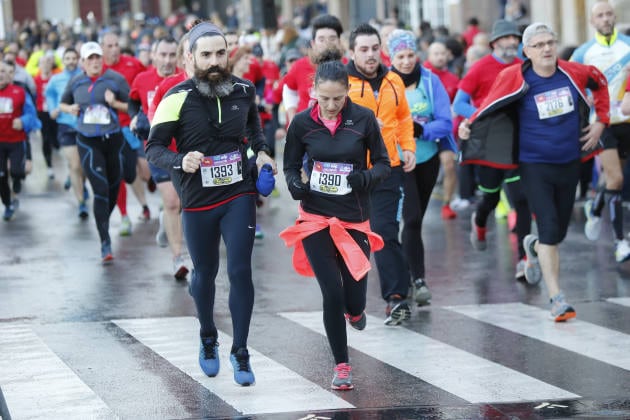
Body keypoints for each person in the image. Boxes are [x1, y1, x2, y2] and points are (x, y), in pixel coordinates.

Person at [146, 22, 276, 386]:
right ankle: (207, 337)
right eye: (206, 55)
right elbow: (153, 148)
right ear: (191, 58)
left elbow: (254, 133)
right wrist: (179, 160)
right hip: (198, 199)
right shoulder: (175, 96)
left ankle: (242, 351)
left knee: (239, 271)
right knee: (204, 274)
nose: (215, 61)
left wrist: (262, 155)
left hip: (239, 193)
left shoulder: (244, 90)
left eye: (221, 53)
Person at [458, 22, 609, 322]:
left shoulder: (573, 72)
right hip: (534, 166)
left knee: (559, 232)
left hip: (570, 163)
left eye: (550, 42)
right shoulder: (514, 76)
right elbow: (490, 103)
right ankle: (557, 298)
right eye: (539, 45)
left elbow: (600, 82)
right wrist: (469, 122)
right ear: (527, 51)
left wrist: (601, 121)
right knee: (550, 228)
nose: (546, 49)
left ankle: (533, 245)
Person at [279, 53, 391, 391]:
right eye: (324, 98)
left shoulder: (364, 119)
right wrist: (295, 184)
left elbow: (384, 165)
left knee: (353, 299)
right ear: (313, 91)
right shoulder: (301, 123)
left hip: (353, 219)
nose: (331, 105)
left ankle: (355, 313)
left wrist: (365, 179)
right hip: (315, 218)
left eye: (338, 99)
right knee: (331, 293)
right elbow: (290, 166)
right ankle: (342, 365)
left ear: (348, 93)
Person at [346, 23, 416, 325]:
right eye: (364, 49)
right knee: (350, 238)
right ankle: (349, 302)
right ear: (352, 52)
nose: (371, 54)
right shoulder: (342, 82)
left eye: (375, 48)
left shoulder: (393, 81)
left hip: (388, 168)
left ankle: (396, 297)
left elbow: (403, 117)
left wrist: (407, 146)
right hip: (351, 172)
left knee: (385, 233)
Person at [453, 19, 532, 280]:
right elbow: (459, 103)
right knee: (491, 197)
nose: (512, 43)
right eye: (507, 38)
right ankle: (479, 221)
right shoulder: (480, 68)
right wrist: (481, 115)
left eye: (515, 38)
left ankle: (524, 260)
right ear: (495, 43)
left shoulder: (524, 66)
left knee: (521, 200)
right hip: (489, 145)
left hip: (519, 143)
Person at [388, 29, 453, 307]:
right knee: (411, 219)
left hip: (427, 158)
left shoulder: (430, 80)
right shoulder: (386, 83)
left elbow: (445, 122)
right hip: (399, 161)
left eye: (410, 55)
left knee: (416, 221)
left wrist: (419, 129)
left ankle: (409, 270)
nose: (406, 61)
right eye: (400, 56)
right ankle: (418, 279)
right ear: (390, 57)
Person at [571, 1, 630, 263]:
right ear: (592, 22)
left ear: (614, 18)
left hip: (626, 121)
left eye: (609, 14)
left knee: (612, 179)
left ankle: (595, 209)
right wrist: (586, 96)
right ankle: (621, 242)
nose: (605, 19)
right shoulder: (583, 53)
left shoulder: (627, 46)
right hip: (601, 122)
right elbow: (570, 83)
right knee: (616, 179)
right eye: (600, 16)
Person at [59, 42, 129, 262]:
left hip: (113, 139)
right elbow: (63, 103)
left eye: (98, 57)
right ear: (83, 62)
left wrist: (114, 103)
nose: (95, 61)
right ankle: (105, 242)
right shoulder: (76, 81)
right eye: (90, 58)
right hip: (88, 140)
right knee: (100, 188)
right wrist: (69, 109)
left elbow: (133, 106)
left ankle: (103, 222)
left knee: (113, 186)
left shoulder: (115, 79)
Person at [128, 36, 190, 280]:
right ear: (152, 55)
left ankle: (167, 220)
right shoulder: (142, 80)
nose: (166, 60)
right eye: (162, 55)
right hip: (157, 149)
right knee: (173, 200)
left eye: (171, 55)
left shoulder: (186, 79)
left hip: (185, 150)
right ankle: (178, 257)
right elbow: (134, 100)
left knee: (183, 201)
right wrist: (135, 116)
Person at [101, 31, 149, 236]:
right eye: (109, 46)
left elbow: (149, 80)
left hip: (137, 125)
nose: (114, 49)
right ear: (102, 48)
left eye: (116, 45)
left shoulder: (132, 64)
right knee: (119, 173)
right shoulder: (98, 70)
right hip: (113, 130)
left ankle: (147, 197)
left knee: (145, 173)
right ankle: (124, 216)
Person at [45, 48, 86, 219]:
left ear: (78, 59)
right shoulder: (56, 79)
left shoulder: (84, 76)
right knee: (75, 164)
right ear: (63, 60)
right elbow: (50, 95)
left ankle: (80, 185)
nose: (70, 61)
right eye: (67, 58)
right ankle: (81, 203)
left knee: (83, 165)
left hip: (85, 125)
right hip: (65, 125)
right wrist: (52, 109)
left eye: (73, 58)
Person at [283, 14, 345, 124]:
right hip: (305, 131)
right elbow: (288, 90)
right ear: (313, 43)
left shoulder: (348, 67)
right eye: (321, 39)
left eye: (332, 38)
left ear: (339, 42)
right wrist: (292, 116)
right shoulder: (300, 65)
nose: (327, 44)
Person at [423, 40, 461, 219]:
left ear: (448, 55)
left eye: (442, 53)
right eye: (435, 53)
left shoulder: (453, 79)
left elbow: (458, 105)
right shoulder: (422, 75)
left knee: (449, 164)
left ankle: (447, 203)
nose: (439, 57)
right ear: (429, 56)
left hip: (445, 130)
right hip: (423, 130)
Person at [0, 60, 39, 221]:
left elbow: (33, 116)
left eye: (3, 71)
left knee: (16, 171)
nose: (1, 74)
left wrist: (23, 121)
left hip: (16, 141)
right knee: (1, 176)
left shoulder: (20, 92)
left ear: (9, 75)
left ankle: (17, 179)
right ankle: (8, 204)